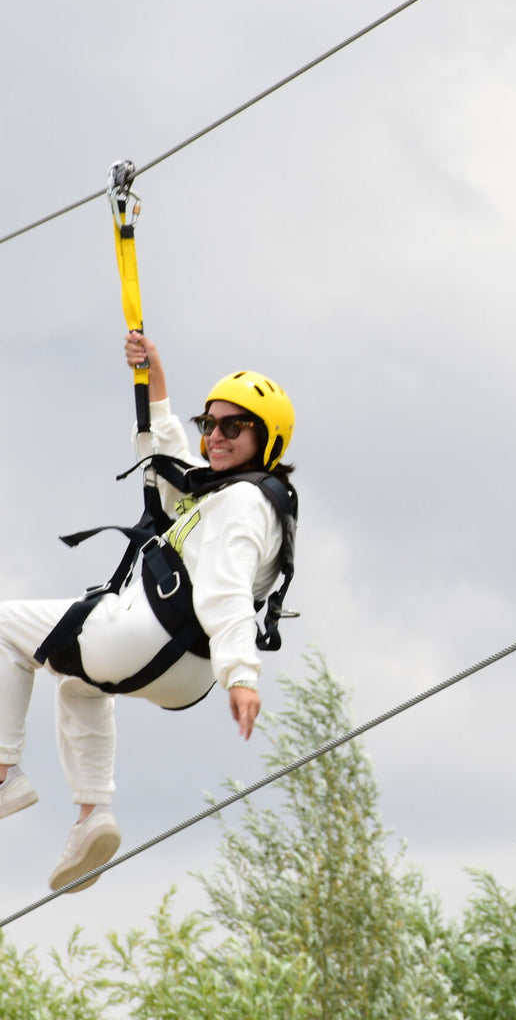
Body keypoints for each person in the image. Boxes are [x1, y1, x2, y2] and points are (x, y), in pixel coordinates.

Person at [0, 333, 296, 892]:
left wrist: (243, 676)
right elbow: (168, 460)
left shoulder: (242, 504)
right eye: (209, 423)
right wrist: (154, 375)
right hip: (187, 676)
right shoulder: (224, 495)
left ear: (267, 437)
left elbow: (227, 591)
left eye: (232, 427)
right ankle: (94, 816)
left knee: (3, 629)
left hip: (149, 637)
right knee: (78, 687)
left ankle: (2, 771)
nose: (215, 436)